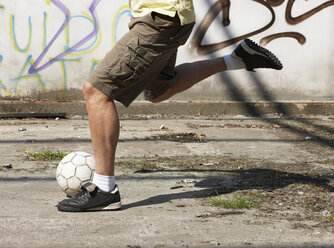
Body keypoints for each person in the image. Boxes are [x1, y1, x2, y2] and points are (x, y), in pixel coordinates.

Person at [57, 0, 282, 212]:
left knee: (96, 91)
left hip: (161, 17)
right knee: (160, 91)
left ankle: (104, 188)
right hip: (162, 17)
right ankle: (239, 59)